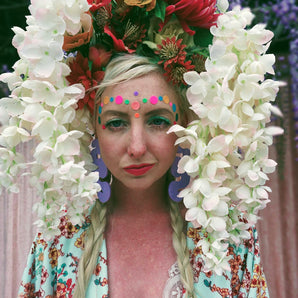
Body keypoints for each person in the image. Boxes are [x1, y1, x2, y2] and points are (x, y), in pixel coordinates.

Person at [0, 0, 278, 297]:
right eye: (116, 123)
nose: (136, 147)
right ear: (92, 127)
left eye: (157, 121)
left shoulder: (228, 242)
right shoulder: (57, 242)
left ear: (186, 123)